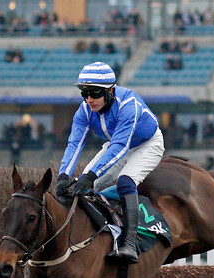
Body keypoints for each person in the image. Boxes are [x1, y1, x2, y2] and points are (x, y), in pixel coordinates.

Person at [56, 61, 164, 264]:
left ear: (110, 91)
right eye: (84, 93)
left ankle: (129, 243)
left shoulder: (128, 105)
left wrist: (91, 175)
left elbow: (120, 147)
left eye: (95, 93)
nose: (89, 99)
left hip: (147, 144)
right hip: (117, 145)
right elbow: (75, 144)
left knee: (125, 181)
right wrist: (63, 176)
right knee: (82, 189)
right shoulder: (84, 111)